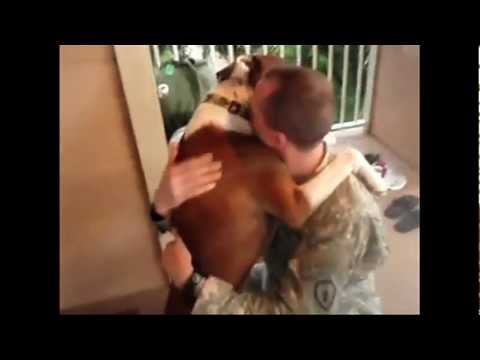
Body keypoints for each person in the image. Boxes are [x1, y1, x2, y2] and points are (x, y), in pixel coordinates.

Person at [157, 66, 389, 314]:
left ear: (278, 138)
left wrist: (195, 286)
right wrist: (161, 206)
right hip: (277, 280)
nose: (241, 104)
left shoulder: (343, 214)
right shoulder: (267, 166)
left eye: (250, 109)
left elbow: (294, 311)